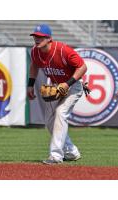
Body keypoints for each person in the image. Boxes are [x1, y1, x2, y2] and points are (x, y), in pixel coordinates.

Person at [27, 24, 87, 164]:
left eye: (40, 37)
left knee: (61, 113)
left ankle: (55, 156)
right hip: (56, 87)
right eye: (35, 36)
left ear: (49, 38)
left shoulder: (62, 50)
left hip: (73, 86)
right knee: (49, 121)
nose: (37, 39)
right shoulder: (35, 52)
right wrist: (30, 85)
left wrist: (67, 84)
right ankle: (72, 152)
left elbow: (83, 67)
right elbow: (34, 65)